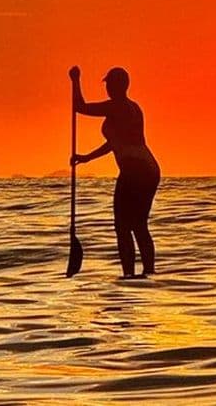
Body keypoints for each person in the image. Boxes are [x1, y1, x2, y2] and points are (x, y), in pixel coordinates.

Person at [68, 66, 161, 279]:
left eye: (110, 84)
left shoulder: (116, 107)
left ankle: (129, 274)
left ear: (120, 85)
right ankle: (148, 273)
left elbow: (79, 107)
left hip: (135, 170)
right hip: (149, 169)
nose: (108, 88)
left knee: (122, 226)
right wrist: (86, 158)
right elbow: (115, 143)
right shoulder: (133, 108)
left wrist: (75, 80)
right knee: (138, 225)